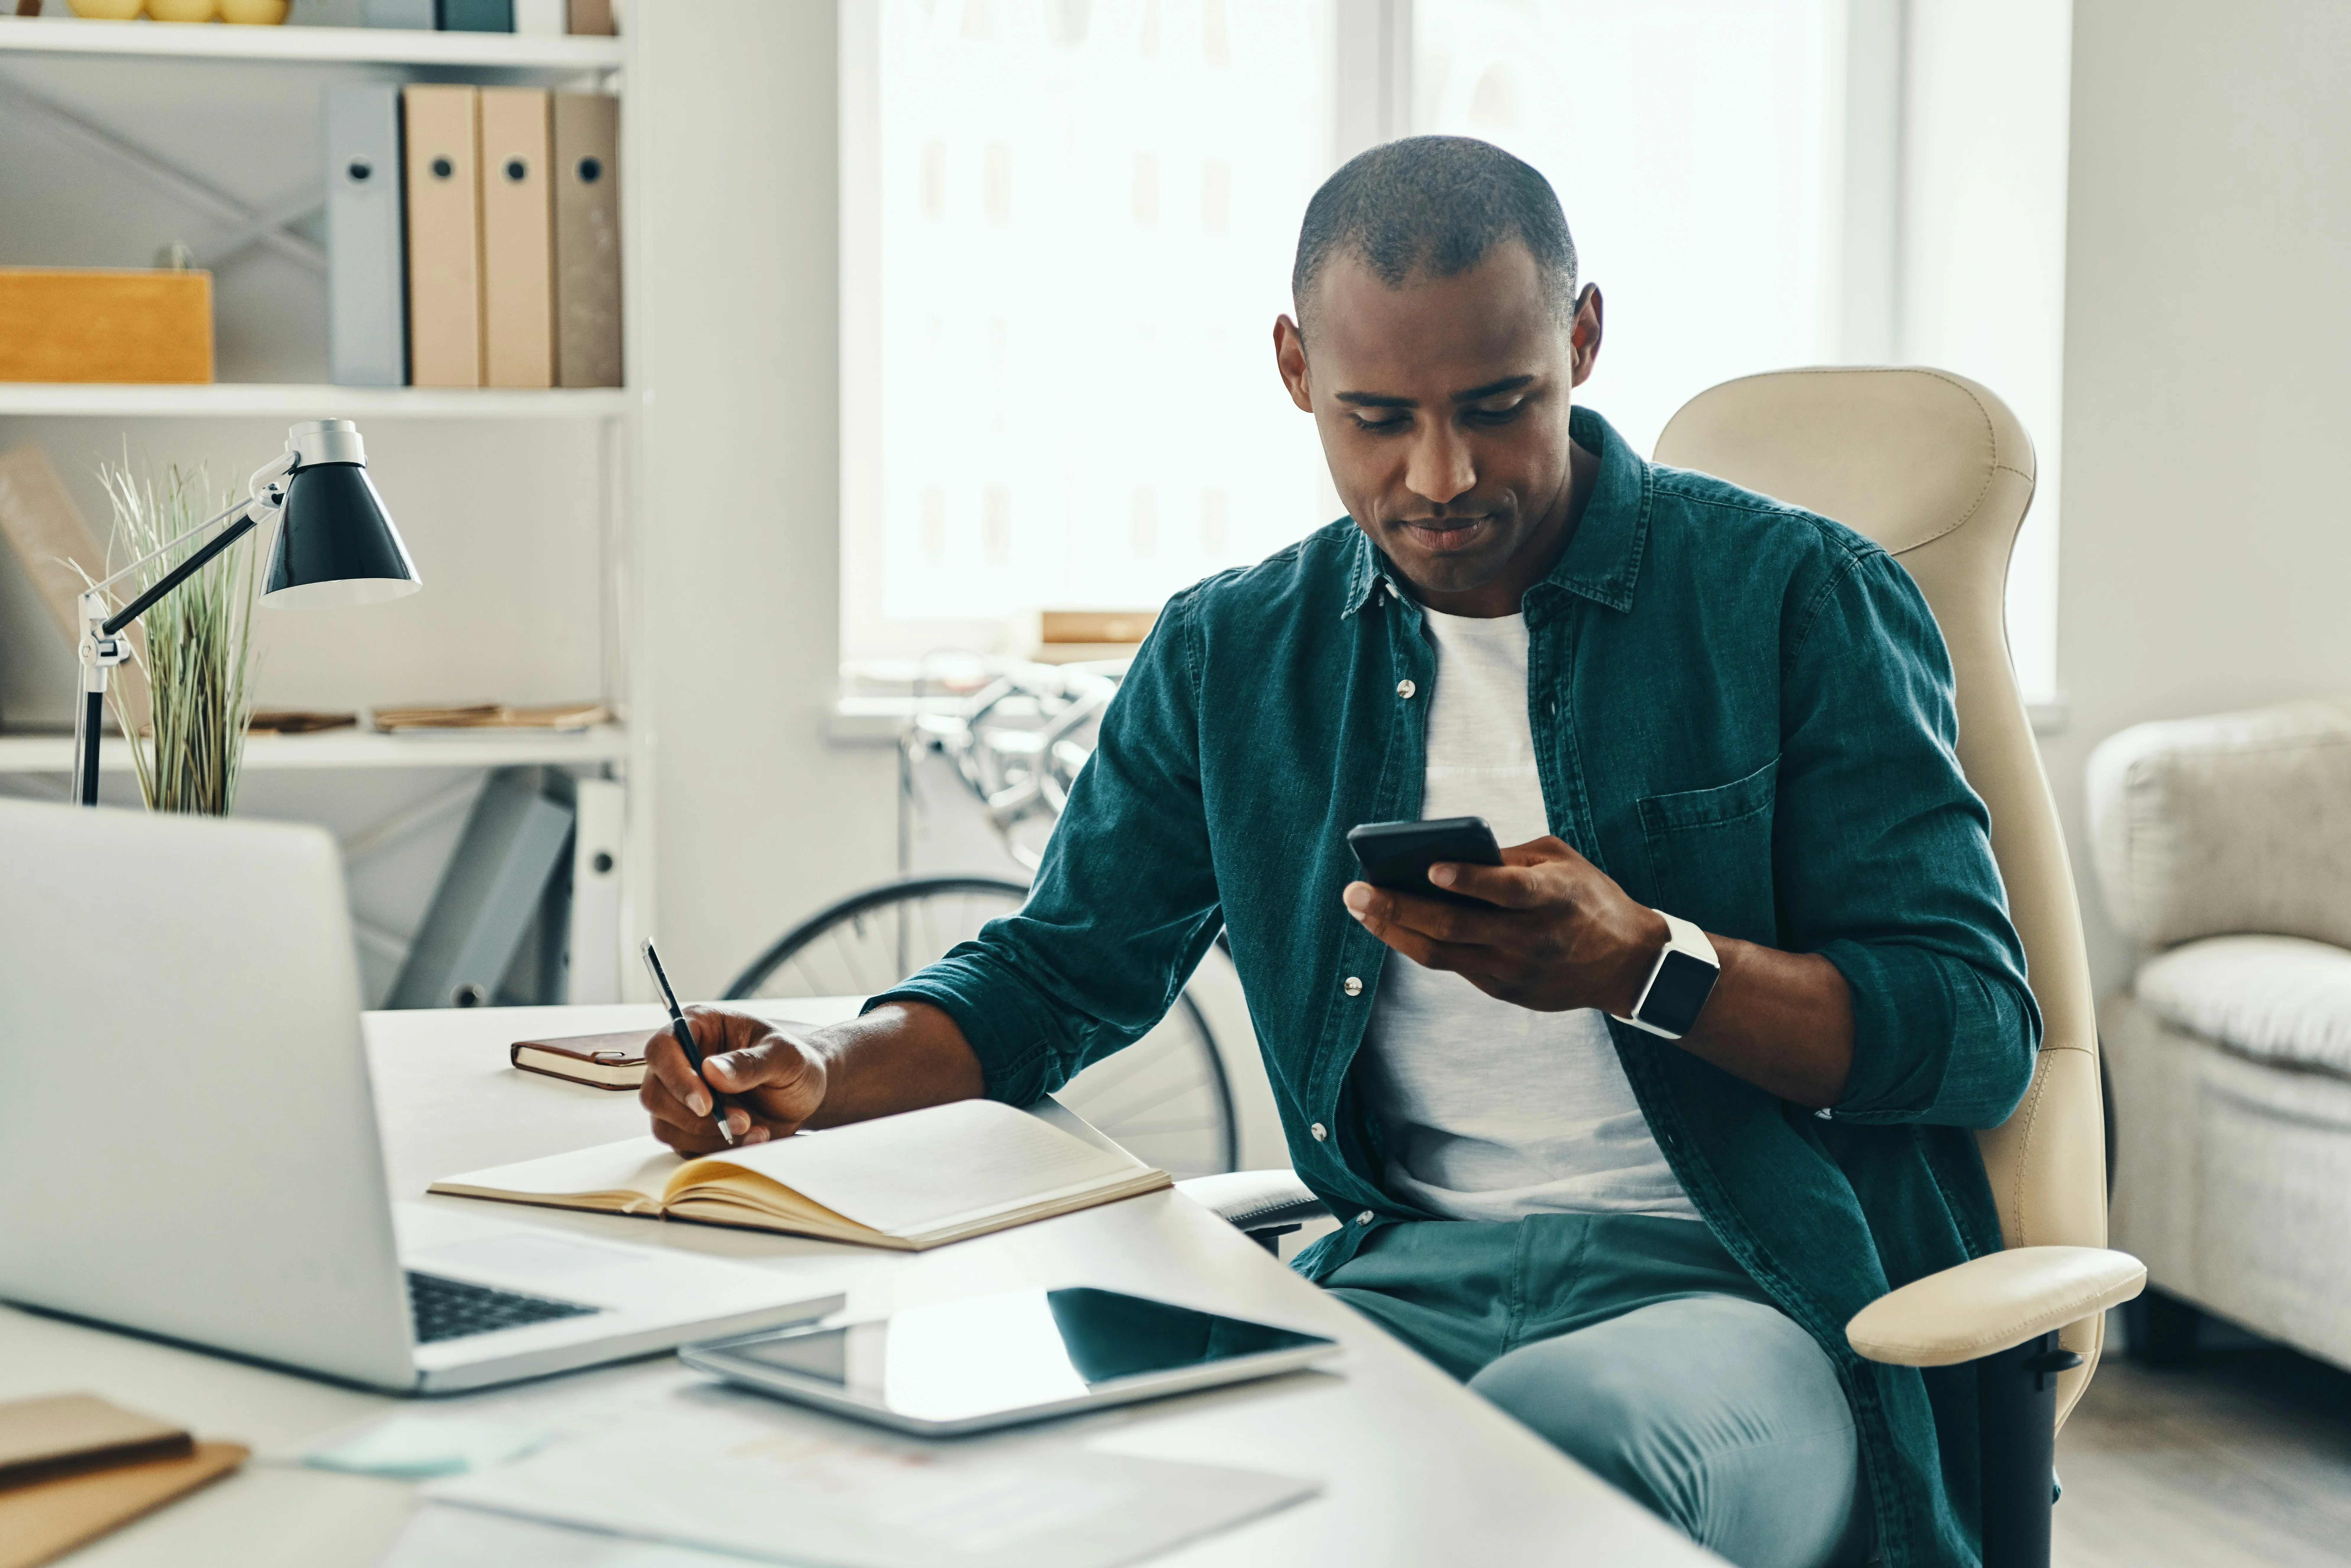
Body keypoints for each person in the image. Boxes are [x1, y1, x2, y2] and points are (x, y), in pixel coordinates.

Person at [642, 136, 2037, 1568]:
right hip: (1401, 1275)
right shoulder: (1234, 654)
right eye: (1378, 418)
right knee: (1050, 1464)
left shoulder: (1796, 600)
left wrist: (1645, 965)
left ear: (1582, 337)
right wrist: (827, 1069)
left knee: (1540, 1455)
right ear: (1294, 368)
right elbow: (1058, 974)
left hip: (1746, 1297)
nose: (1440, 476)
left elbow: (1974, 1033)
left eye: (1500, 408)